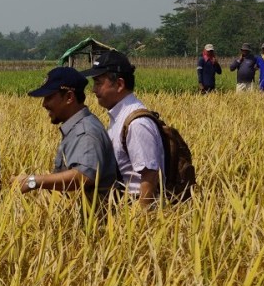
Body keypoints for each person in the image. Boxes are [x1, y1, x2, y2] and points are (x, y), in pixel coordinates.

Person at [12, 67, 117, 203]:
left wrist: (33, 181)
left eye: (49, 97)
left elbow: (84, 176)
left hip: (92, 221)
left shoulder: (85, 132)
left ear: (69, 97)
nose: (44, 104)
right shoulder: (77, 127)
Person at [80, 51, 165, 207]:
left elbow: (150, 176)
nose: (93, 90)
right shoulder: (120, 118)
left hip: (135, 209)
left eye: (98, 83)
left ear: (119, 84)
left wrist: (139, 222)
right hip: (123, 206)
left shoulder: (137, 124)